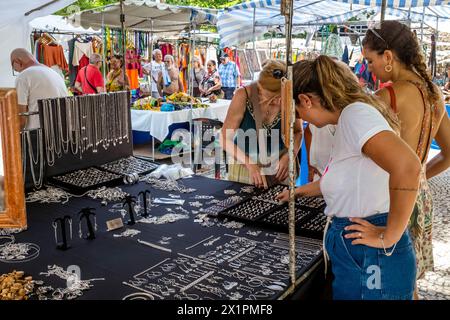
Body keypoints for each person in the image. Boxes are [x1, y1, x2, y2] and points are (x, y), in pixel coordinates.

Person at [277, 56, 421, 300]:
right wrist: (299, 191)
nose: (300, 118)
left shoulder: (355, 116)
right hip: (361, 252)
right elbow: (349, 179)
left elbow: (408, 167)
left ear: (305, 100)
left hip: (370, 254)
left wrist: (390, 234)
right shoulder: (348, 119)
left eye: (297, 111)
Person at [362, 21, 450, 284]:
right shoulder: (434, 93)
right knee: (407, 281)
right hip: (419, 200)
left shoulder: (386, 97)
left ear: (388, 56)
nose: (369, 68)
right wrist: (420, 174)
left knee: (385, 282)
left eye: (370, 60)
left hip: (391, 200)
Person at [220, 60, 302, 188]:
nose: (275, 102)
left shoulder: (289, 97)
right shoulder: (243, 95)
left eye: (278, 98)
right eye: (265, 96)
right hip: (246, 168)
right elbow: (225, 138)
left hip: (280, 169)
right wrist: (250, 165)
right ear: (259, 85)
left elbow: (298, 131)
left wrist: (290, 155)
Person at [10, 48, 68, 130]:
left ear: (17, 61)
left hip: (38, 133)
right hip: (61, 130)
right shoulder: (53, 72)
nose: (17, 71)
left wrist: (13, 136)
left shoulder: (24, 76)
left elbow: (21, 116)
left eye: (15, 69)